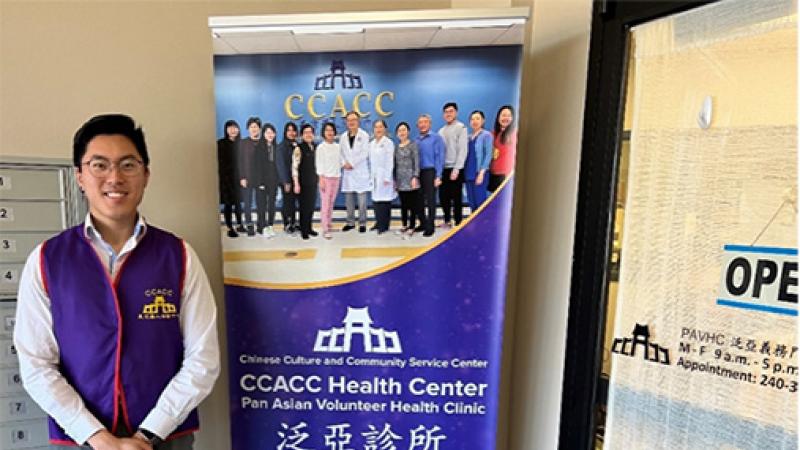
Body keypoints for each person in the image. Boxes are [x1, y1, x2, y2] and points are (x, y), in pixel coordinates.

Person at [14, 114, 220, 450]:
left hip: (166, 438)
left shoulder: (178, 256)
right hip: (78, 440)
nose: (114, 177)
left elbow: (204, 358)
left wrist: (149, 433)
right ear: (80, 176)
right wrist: (96, 436)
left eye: (128, 165)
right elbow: (36, 362)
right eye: (99, 165)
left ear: (146, 174)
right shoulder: (47, 260)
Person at [339, 111, 371, 233]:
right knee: (349, 200)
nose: (351, 122)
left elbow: (365, 153)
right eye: (349, 120)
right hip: (347, 172)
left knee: (362, 201)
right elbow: (340, 153)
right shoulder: (342, 137)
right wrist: (343, 163)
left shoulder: (364, 135)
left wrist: (352, 163)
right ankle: (350, 222)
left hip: (360, 171)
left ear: (358, 121)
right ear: (346, 122)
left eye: (354, 120)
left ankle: (362, 223)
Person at [438, 102, 468, 228]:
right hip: (443, 169)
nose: (448, 114)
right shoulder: (441, 131)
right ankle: (447, 220)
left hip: (456, 168)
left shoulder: (461, 128)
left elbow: (463, 150)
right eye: (446, 112)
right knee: (443, 197)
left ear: (456, 112)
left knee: (456, 198)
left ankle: (458, 222)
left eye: (451, 111)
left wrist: (457, 169)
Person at [415, 114, 445, 237]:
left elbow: (440, 157)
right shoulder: (416, 140)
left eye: (425, 122)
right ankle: (423, 223)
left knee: (431, 200)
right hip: (418, 172)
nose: (422, 124)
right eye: (420, 122)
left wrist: (438, 175)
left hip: (430, 172)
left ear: (430, 124)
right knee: (419, 200)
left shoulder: (436, 138)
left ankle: (430, 226)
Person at [393, 122, 423, 236]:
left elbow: (417, 162)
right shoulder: (396, 147)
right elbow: (395, 165)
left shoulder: (413, 145)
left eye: (404, 130)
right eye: (400, 130)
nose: (402, 132)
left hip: (411, 180)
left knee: (412, 205)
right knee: (404, 205)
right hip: (400, 180)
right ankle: (404, 225)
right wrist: (395, 180)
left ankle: (412, 226)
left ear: (408, 132)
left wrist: (415, 176)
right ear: (397, 133)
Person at [216, 119, 244, 238]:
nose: (233, 130)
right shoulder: (221, 143)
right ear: (226, 130)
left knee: (238, 203)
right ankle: (229, 227)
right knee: (228, 204)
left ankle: (239, 224)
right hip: (226, 178)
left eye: (235, 127)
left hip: (239, 178)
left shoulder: (241, 144)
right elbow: (220, 163)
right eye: (230, 128)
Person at [369, 120, 396, 234]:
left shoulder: (388, 143)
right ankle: (378, 222)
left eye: (380, 127)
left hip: (384, 175)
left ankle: (384, 225)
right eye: (376, 127)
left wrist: (387, 177)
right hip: (374, 175)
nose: (378, 129)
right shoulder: (371, 144)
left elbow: (390, 161)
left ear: (385, 129)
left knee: (385, 201)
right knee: (375, 200)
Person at [292, 124, 319, 240]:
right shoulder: (298, 148)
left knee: (311, 207)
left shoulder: (315, 147)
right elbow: (294, 167)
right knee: (304, 208)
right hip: (302, 183)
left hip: (313, 182)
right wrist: (296, 183)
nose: (308, 135)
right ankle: (304, 230)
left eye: (310, 132)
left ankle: (309, 228)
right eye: (306, 133)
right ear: (302, 135)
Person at [316, 122, 342, 240]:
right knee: (325, 204)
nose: (330, 132)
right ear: (324, 133)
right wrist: (321, 179)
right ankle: (325, 228)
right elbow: (319, 164)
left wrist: (347, 164)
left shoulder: (337, 146)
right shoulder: (321, 147)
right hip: (325, 178)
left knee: (331, 203)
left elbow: (341, 161)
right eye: (327, 130)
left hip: (336, 177)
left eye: (331, 130)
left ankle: (329, 223)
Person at [237, 117, 262, 236]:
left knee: (260, 202)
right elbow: (240, 161)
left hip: (260, 179)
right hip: (247, 178)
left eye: (256, 127)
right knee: (247, 203)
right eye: (251, 127)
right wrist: (242, 177)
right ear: (248, 129)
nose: (254, 129)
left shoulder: (263, 142)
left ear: (260, 129)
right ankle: (249, 225)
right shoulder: (243, 143)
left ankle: (261, 225)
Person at [465, 110, 493, 211]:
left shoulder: (486, 135)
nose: (475, 121)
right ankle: (474, 225)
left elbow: (488, 155)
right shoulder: (468, 137)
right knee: (472, 202)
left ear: (483, 120)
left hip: (479, 173)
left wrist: (481, 173)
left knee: (480, 202)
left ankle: (483, 225)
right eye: (472, 119)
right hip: (469, 173)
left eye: (477, 118)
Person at [254, 123, 279, 237]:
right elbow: (257, 167)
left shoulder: (276, 147)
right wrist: (260, 182)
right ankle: (261, 226)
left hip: (273, 181)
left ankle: (270, 226)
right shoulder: (259, 148)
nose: (270, 135)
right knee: (262, 205)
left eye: (272, 132)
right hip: (262, 182)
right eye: (268, 132)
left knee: (272, 205)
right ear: (263, 134)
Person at [276, 122, 300, 234]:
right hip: (286, 180)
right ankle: (287, 224)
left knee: (293, 203)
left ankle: (294, 222)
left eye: (293, 130)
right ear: (285, 132)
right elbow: (280, 165)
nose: (291, 133)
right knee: (287, 203)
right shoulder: (281, 147)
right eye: (289, 130)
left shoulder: (296, 145)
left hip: (296, 180)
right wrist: (285, 181)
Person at [489, 105, 517, 192]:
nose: (505, 118)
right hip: (493, 174)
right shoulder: (492, 134)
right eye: (503, 115)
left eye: (508, 116)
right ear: (498, 117)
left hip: (507, 175)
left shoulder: (515, 134)